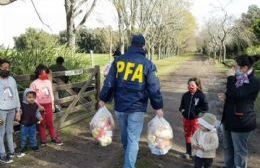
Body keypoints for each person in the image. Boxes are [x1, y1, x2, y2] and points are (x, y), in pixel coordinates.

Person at [99, 34, 164, 168]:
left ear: (131, 44)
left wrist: (103, 98)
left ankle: (128, 154)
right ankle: (129, 163)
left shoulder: (119, 61)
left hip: (120, 106)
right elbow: (153, 87)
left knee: (126, 135)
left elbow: (109, 81)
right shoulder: (148, 64)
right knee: (132, 138)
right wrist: (158, 106)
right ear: (143, 46)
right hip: (137, 107)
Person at [222, 55, 260, 168]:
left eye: (235, 67)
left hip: (241, 121)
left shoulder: (254, 81)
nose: (233, 69)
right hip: (229, 119)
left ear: (244, 68)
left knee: (239, 151)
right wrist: (226, 96)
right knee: (228, 148)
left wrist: (230, 78)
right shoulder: (239, 78)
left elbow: (238, 94)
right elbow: (233, 94)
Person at [30, 64, 63, 146]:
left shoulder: (48, 82)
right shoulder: (34, 83)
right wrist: (38, 106)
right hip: (39, 106)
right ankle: (43, 140)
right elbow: (32, 96)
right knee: (42, 123)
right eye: (44, 73)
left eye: (46, 73)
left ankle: (54, 137)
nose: (46, 75)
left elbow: (51, 93)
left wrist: (52, 104)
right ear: (39, 73)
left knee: (50, 122)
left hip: (48, 105)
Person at [179, 77, 209, 160]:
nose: (190, 86)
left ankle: (197, 155)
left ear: (197, 86)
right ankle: (188, 153)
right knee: (187, 135)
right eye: (189, 85)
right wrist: (182, 111)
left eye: (192, 85)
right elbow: (181, 106)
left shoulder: (201, 96)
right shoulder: (185, 95)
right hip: (186, 119)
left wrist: (197, 113)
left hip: (196, 120)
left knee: (197, 137)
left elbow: (205, 108)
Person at [0, 59, 22, 163]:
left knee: (9, 131)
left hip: (12, 110)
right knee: (1, 133)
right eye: (4, 67)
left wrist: (18, 110)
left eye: (8, 68)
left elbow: (16, 95)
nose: (7, 69)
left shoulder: (12, 80)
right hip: (1, 111)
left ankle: (12, 152)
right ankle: (2, 154)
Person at [18, 88, 42, 153]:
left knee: (33, 135)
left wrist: (40, 117)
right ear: (25, 97)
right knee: (23, 136)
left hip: (32, 124)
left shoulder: (35, 105)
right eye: (29, 97)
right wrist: (19, 113)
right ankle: (23, 146)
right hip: (24, 124)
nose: (32, 99)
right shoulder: (22, 105)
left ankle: (34, 145)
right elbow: (19, 112)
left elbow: (37, 112)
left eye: (33, 97)